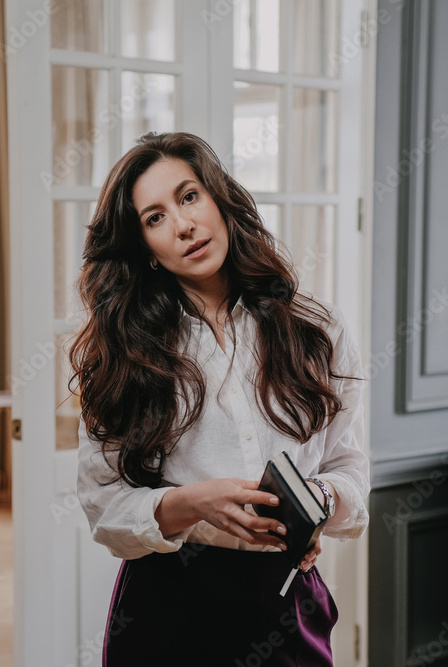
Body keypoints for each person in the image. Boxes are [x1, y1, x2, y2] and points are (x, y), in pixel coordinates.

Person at [69, 131, 370, 667]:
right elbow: (103, 505)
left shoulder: (317, 328)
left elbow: (349, 465)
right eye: (154, 218)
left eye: (188, 197)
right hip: (168, 609)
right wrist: (193, 502)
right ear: (146, 250)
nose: (183, 225)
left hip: (286, 601)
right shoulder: (122, 354)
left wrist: (314, 504)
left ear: (220, 199)